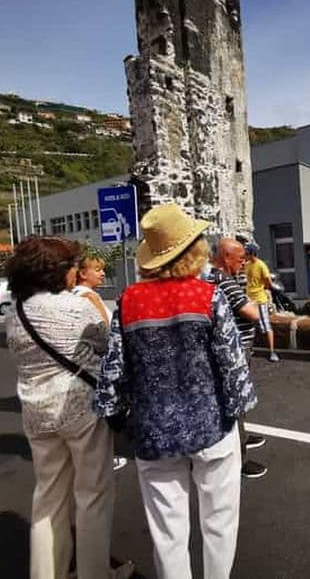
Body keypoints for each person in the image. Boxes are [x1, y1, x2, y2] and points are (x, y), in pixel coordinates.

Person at [94, 203, 255, 579]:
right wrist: (238, 408)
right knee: (219, 523)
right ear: (193, 250)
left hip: (154, 432)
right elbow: (233, 365)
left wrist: (115, 414)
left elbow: (114, 367)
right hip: (211, 427)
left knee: (167, 534)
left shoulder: (129, 301)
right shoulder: (208, 296)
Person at [4, 236, 133, 579]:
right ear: (58, 270)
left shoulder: (15, 312)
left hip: (35, 409)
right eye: (73, 266)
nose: (76, 272)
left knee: (48, 497)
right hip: (80, 407)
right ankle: (95, 573)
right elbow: (107, 343)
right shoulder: (75, 307)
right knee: (92, 494)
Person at [207, 237, 269, 479]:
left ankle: (242, 437)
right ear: (226, 257)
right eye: (240, 258)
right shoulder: (222, 280)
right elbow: (252, 312)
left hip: (234, 347)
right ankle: (240, 457)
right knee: (236, 399)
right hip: (236, 349)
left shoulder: (220, 278)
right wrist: (255, 303)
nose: (243, 262)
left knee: (236, 401)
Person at [72, 254, 128, 473]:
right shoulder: (89, 296)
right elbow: (104, 331)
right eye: (97, 270)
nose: (103, 273)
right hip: (96, 361)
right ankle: (104, 458)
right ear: (83, 273)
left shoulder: (72, 295)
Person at [244, 243, 279, 362]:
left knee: (266, 325)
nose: (245, 255)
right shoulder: (247, 265)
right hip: (250, 299)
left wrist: (264, 288)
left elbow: (268, 281)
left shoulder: (261, 265)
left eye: (246, 253)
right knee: (250, 325)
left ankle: (272, 351)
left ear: (252, 253)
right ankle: (250, 349)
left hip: (260, 299)